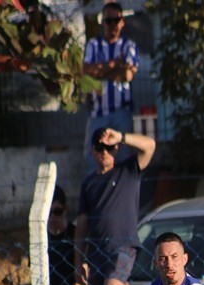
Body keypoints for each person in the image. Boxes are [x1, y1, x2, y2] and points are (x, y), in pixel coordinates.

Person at [74, 127, 156, 285]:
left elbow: (149, 146)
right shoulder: (88, 183)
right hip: (97, 251)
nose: (105, 152)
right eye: (100, 148)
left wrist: (121, 136)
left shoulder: (127, 170)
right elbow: (82, 224)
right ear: (93, 151)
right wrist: (79, 261)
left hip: (123, 245)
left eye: (110, 148)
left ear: (116, 149)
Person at [82, 2, 139, 176]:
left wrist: (100, 72)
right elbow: (87, 71)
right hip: (98, 112)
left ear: (122, 22)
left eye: (116, 20)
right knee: (92, 159)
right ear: (103, 22)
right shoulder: (93, 45)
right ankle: (94, 189)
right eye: (109, 20)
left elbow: (127, 75)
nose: (112, 24)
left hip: (121, 111)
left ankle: (118, 189)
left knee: (121, 157)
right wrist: (115, 64)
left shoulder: (129, 45)